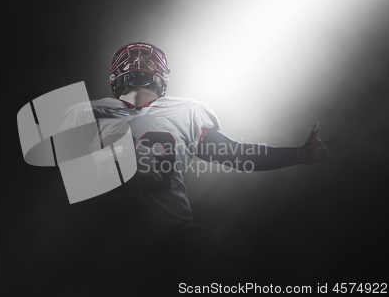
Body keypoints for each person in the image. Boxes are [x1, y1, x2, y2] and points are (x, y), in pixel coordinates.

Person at [80, 42, 343, 285]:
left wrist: (299, 154)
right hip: (110, 245)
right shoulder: (88, 112)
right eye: (131, 61)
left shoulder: (186, 111)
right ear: (117, 75)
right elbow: (45, 180)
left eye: (146, 62)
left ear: (160, 74)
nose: (139, 64)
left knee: (207, 256)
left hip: (174, 240)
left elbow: (236, 154)